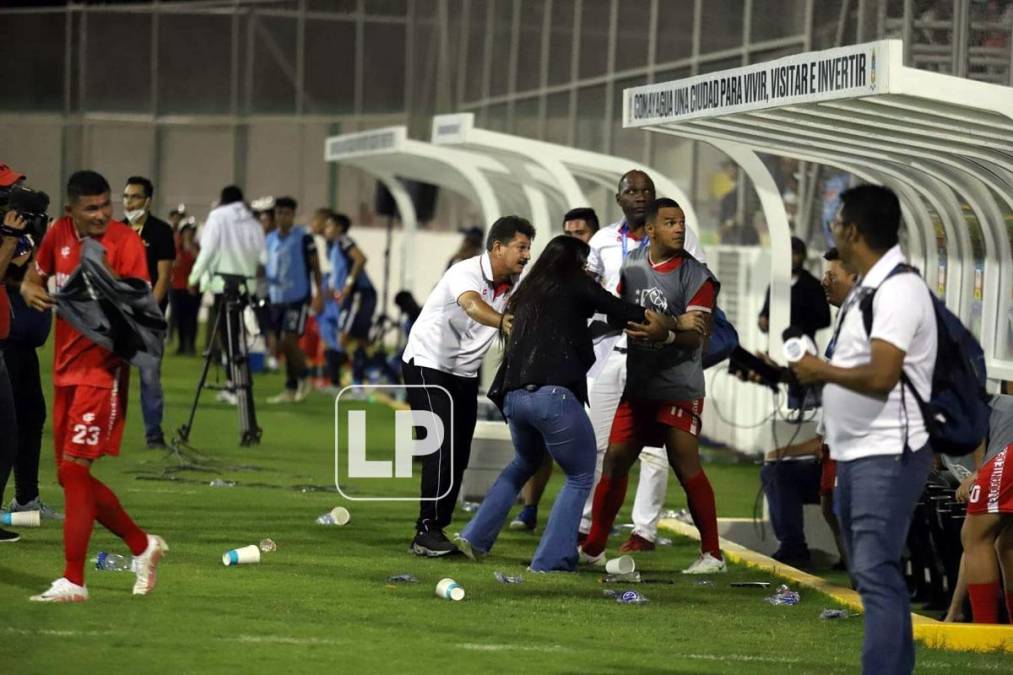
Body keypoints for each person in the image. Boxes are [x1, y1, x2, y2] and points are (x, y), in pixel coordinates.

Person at [791, 184, 937, 674]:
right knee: (871, 572)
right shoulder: (870, 289)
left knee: (875, 572)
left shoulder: (898, 289)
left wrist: (820, 371)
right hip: (858, 451)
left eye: (835, 224)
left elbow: (881, 374)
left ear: (851, 230)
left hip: (888, 452)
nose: (832, 232)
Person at [455, 235, 667, 570]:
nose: (588, 270)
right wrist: (662, 319)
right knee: (581, 473)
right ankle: (552, 558)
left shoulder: (527, 289)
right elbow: (617, 307)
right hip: (552, 397)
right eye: (584, 263)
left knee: (523, 462)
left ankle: (474, 537)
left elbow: (562, 329)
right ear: (574, 262)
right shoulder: (574, 281)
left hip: (513, 396)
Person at [21, 170, 168, 602]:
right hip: (64, 371)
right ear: (71, 212)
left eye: (107, 205)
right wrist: (31, 289)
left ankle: (74, 580)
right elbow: (34, 275)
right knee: (71, 479)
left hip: (101, 374)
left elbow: (140, 308)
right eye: (92, 208)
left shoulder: (124, 243)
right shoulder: (56, 235)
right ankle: (142, 546)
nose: (103, 214)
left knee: (74, 470)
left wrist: (108, 283)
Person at [581, 198, 722, 574]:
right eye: (671, 222)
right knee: (614, 459)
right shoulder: (632, 266)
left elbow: (698, 336)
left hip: (679, 386)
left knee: (684, 462)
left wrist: (666, 334)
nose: (679, 229)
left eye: (682, 222)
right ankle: (593, 548)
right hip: (640, 384)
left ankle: (712, 555)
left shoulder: (697, 275)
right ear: (651, 230)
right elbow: (624, 312)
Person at [402, 216, 534, 556]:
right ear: (497, 247)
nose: (527, 255)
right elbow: (472, 304)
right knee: (440, 447)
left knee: (459, 453)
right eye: (521, 247)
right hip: (428, 363)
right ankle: (425, 530)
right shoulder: (465, 272)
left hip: (462, 372)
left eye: (529, 248)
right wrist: (504, 320)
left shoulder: (516, 284)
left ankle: (437, 528)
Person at [510, 205, 602, 531]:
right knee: (544, 448)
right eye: (570, 234)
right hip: (560, 371)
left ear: (594, 234)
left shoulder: (603, 263)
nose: (575, 239)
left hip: (601, 364)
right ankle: (532, 511)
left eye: (580, 233)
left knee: (594, 453)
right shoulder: (557, 274)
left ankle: (585, 522)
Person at [759, 247, 853, 569]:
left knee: (844, 509)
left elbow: (861, 382)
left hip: (856, 444)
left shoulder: (867, 320)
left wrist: (816, 372)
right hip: (832, 442)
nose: (825, 281)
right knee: (831, 507)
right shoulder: (846, 317)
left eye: (832, 275)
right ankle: (850, 569)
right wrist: (779, 374)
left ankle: (865, 577)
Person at [1, 165, 60, 529]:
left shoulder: (19, 233)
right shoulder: (8, 234)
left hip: (20, 341)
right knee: (8, 425)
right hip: (7, 340)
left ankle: (26, 498)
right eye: (12, 190)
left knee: (30, 416)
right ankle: (21, 498)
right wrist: (16, 241)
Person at [188, 185, 267, 404]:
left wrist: (194, 277)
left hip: (222, 285)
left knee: (227, 336)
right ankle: (240, 384)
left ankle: (234, 386)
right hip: (246, 286)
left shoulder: (218, 217)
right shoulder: (252, 221)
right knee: (239, 335)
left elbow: (208, 250)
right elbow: (263, 258)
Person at [122, 176, 175, 448]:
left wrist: (148, 311)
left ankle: (153, 434)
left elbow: (164, 277)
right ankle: (104, 433)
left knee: (149, 376)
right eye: (126, 196)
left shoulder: (161, 232)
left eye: (135, 197)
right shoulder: (115, 231)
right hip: (116, 318)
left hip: (148, 319)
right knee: (108, 378)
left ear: (148, 200)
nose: (129, 202)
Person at [264, 196, 323, 403]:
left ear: (293, 215)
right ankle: (290, 387)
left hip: (298, 298)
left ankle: (305, 377)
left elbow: (316, 267)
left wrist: (319, 295)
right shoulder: (269, 239)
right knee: (281, 345)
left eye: (287, 213)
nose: (282, 217)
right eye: (279, 213)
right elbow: (264, 268)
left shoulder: (304, 238)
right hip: (276, 299)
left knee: (289, 341)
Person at [758, 236, 831, 341]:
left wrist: (797, 325)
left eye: (795, 253)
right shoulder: (776, 284)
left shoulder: (813, 285)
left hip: (803, 347)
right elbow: (765, 312)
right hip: (775, 346)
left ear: (803, 256)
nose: (791, 258)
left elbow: (825, 319)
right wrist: (762, 320)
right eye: (788, 254)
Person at [169, 223, 199, 355]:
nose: (189, 234)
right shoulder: (176, 247)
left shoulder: (196, 247)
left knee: (192, 318)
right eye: (186, 231)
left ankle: (191, 346)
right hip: (177, 287)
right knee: (179, 318)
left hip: (192, 287)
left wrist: (190, 247)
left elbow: (200, 260)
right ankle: (181, 345)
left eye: (191, 231)